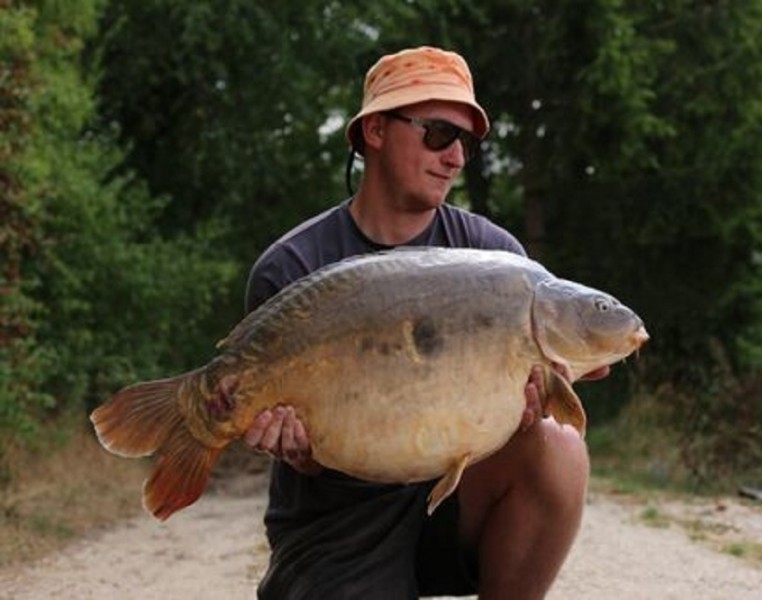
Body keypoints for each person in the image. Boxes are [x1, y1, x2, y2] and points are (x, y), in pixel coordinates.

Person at [242, 46, 607, 599]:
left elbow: (527, 406)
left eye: (467, 142)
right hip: (340, 524)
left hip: (459, 502)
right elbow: (308, 461)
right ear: (375, 132)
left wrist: (529, 409)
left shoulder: (497, 259)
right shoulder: (292, 266)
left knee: (559, 445)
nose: (456, 156)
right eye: (438, 133)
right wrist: (296, 445)